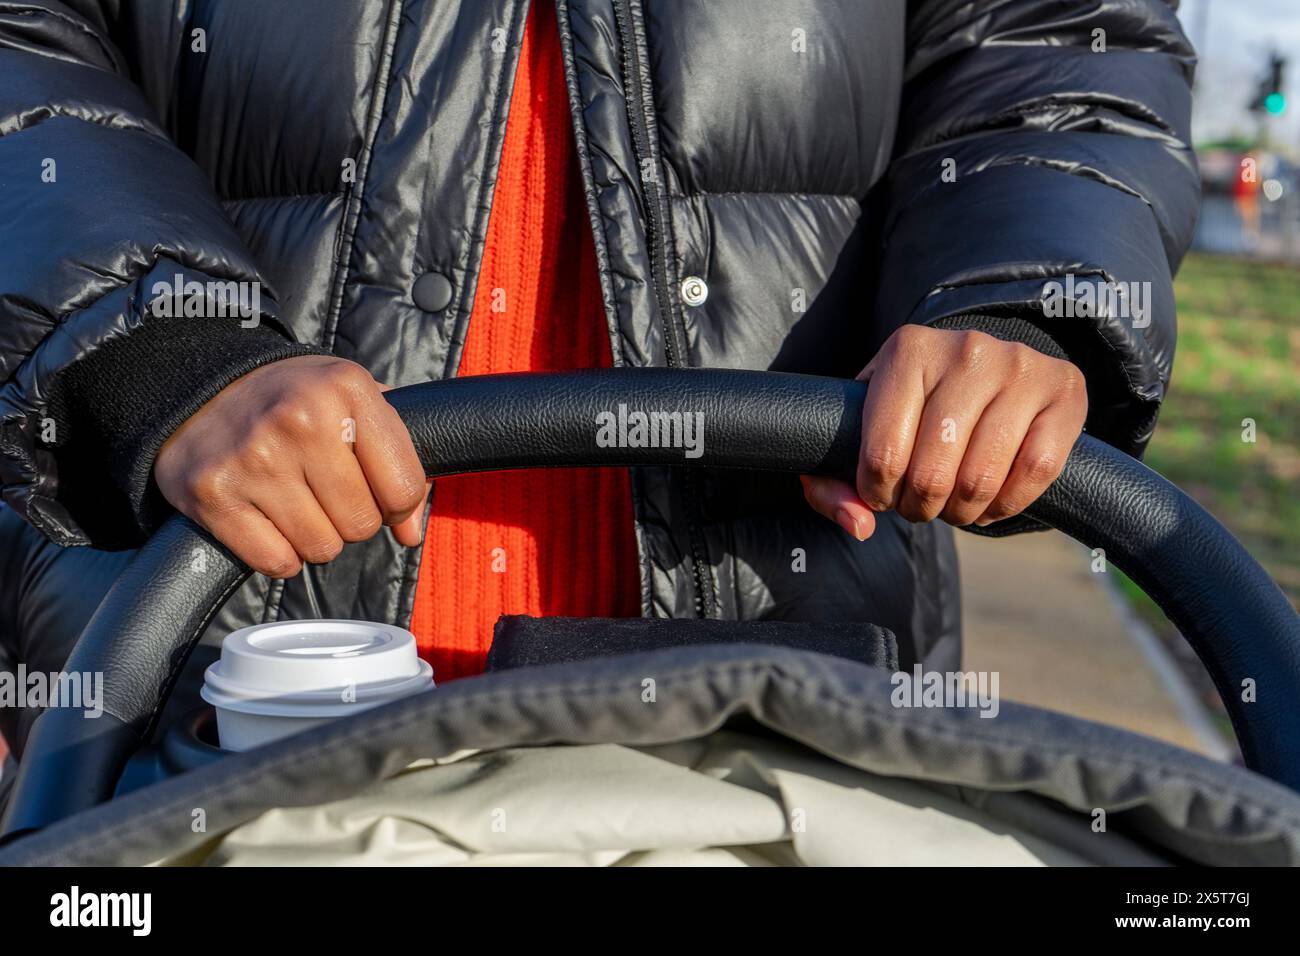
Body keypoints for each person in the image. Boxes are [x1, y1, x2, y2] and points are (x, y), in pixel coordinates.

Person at [0, 1, 1197, 762]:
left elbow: (1050, 35)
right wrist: (149, 338)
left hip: (778, 675)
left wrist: (1018, 303)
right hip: (221, 658)